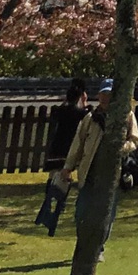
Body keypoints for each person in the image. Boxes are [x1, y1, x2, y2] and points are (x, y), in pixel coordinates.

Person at [64, 84, 138, 254]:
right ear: (98, 96)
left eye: (109, 94)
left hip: (112, 173)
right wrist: (68, 167)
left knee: (106, 214)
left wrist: (121, 148)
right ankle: (83, 244)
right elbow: (78, 144)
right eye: (103, 94)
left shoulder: (126, 116)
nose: (105, 98)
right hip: (89, 172)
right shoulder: (90, 118)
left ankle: (99, 247)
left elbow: (134, 141)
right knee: (81, 211)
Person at [36, 78, 89, 236]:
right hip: (68, 151)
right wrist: (84, 103)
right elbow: (86, 115)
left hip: (56, 148)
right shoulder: (81, 113)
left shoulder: (59, 111)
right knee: (63, 182)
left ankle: (47, 207)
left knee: (53, 179)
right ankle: (54, 210)